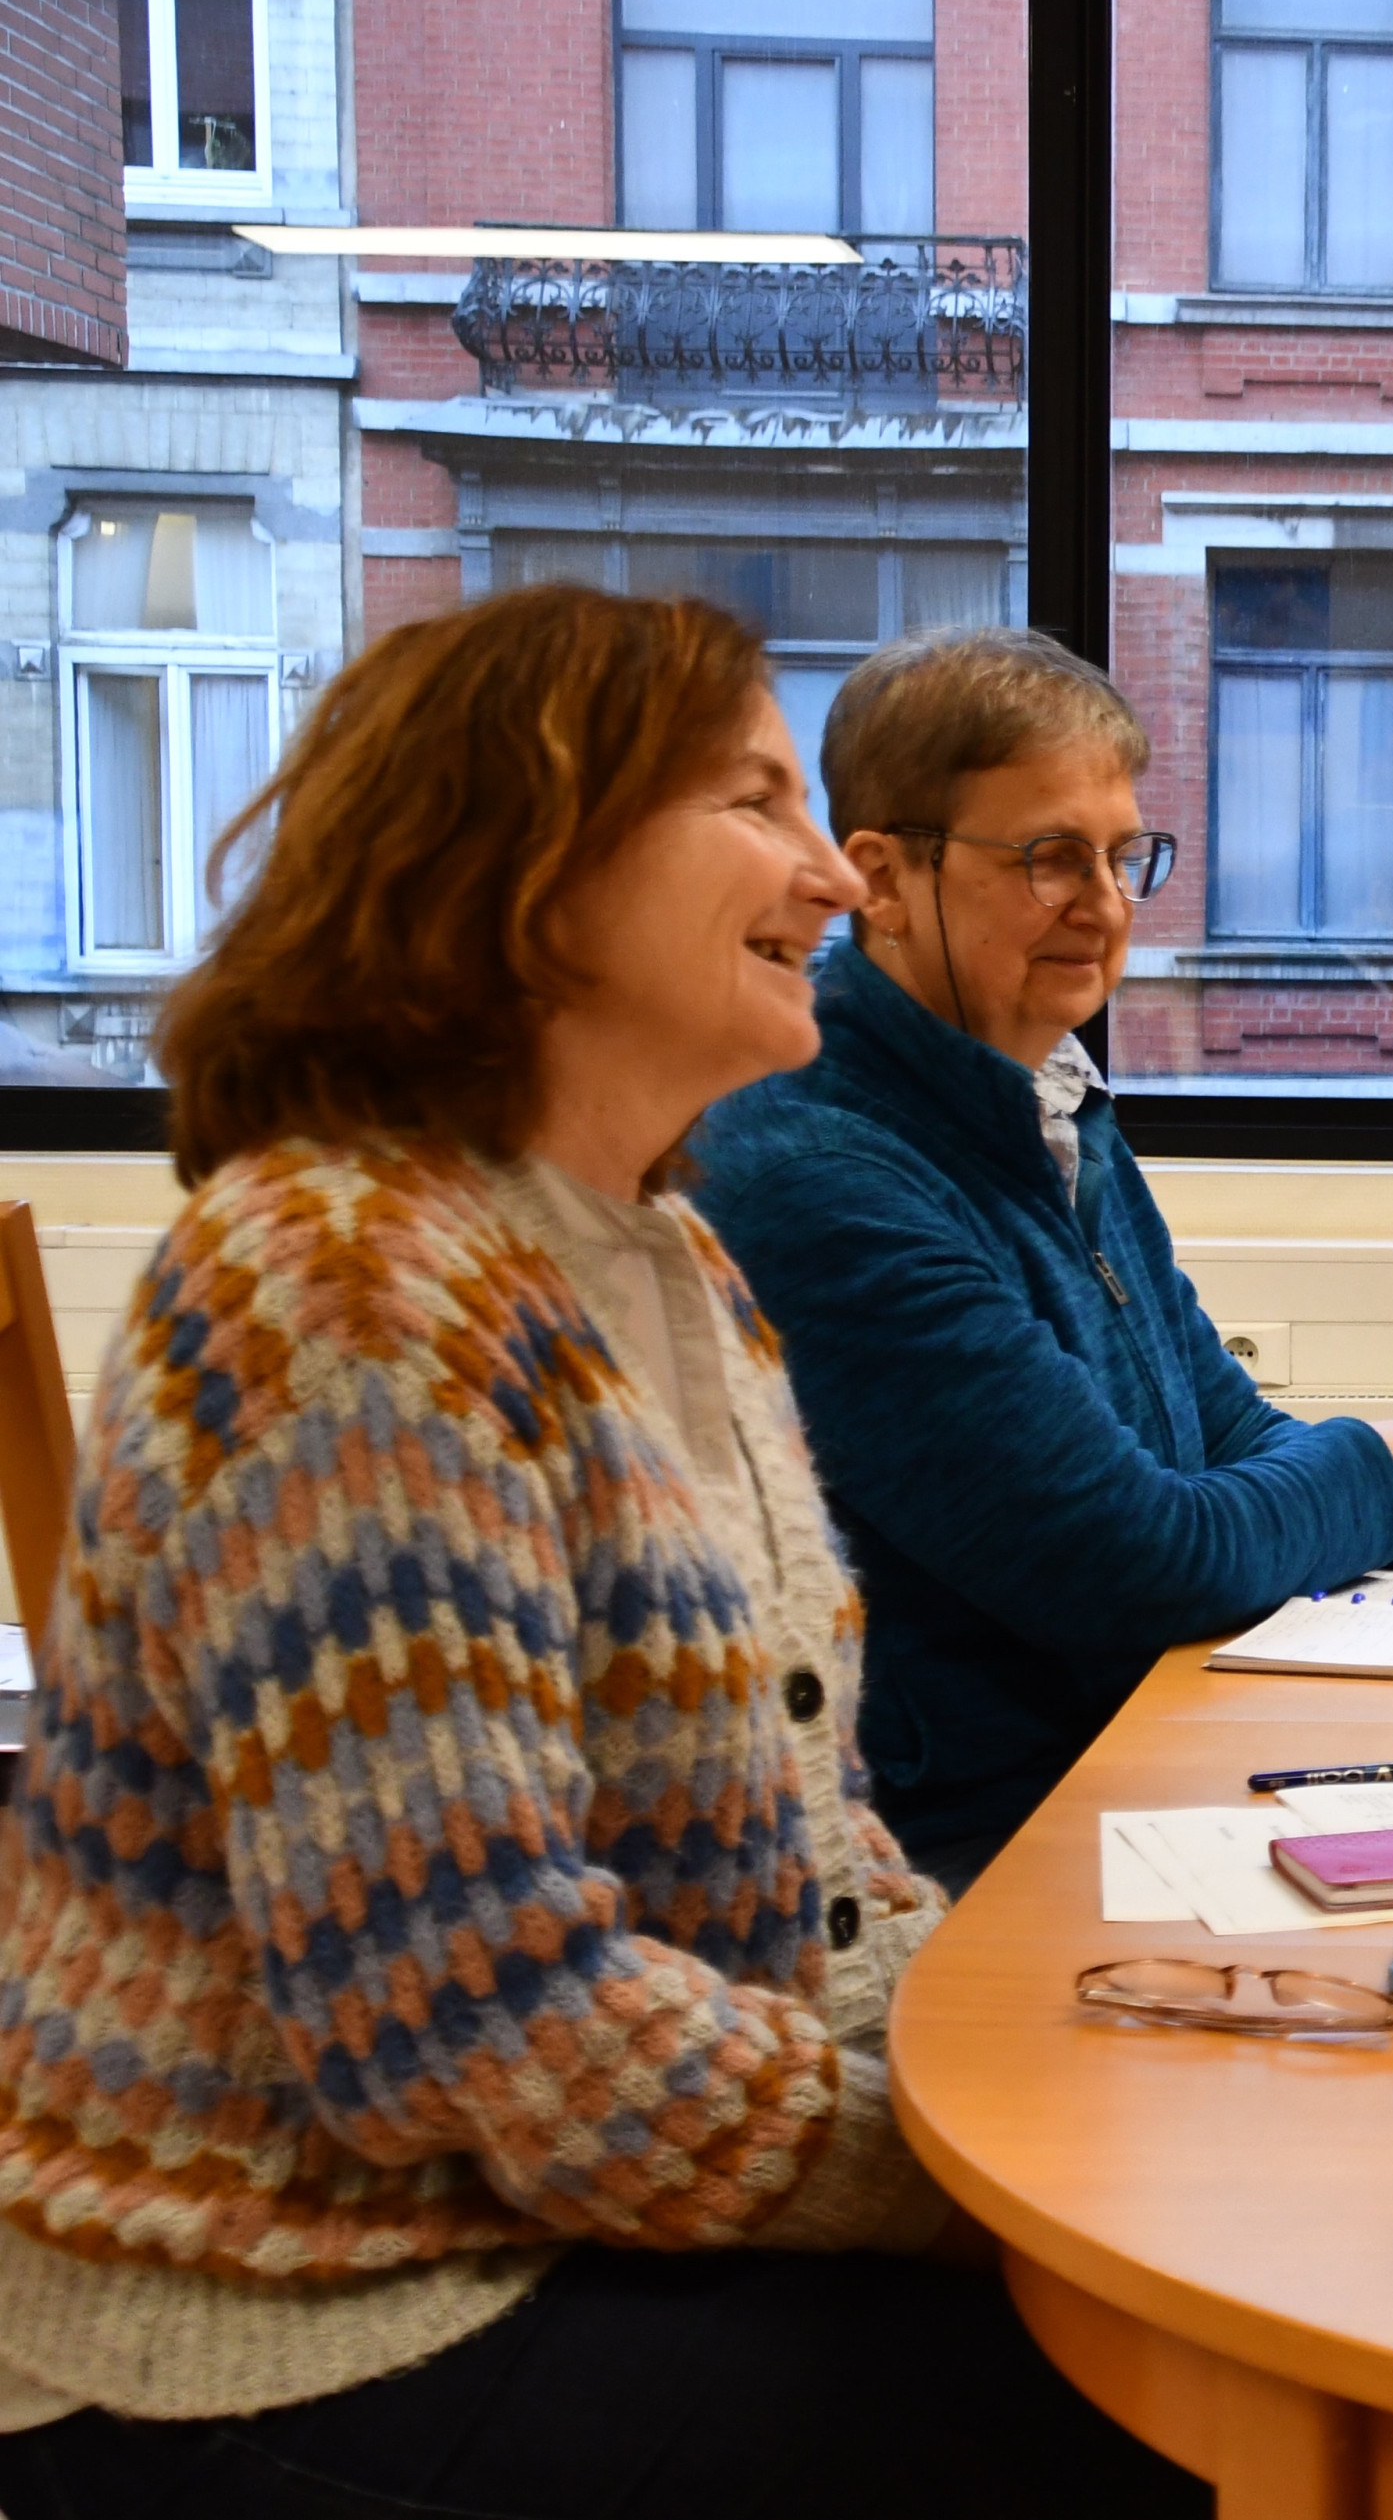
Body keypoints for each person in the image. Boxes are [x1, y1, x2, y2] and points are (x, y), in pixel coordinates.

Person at [0, 587, 1201, 2518]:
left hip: (541, 2215)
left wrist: (1088, 2048)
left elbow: (811, 1865)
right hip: (277, 2298)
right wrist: (1001, 2162)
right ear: (527, 863)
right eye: (754, 798)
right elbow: (473, 2015)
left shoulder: (667, 1258)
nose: (831, 871)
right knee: (1146, 2436)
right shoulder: (351, 1283)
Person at [692, 630, 1393, 1887]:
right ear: (884, 880)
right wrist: (1381, 1460)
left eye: (1125, 856)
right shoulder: (825, 1172)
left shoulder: (1046, 1095)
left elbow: (1216, 1429)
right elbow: (1144, 1567)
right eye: (1050, 858)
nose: (1106, 907)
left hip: (1143, 1750)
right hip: (980, 1842)